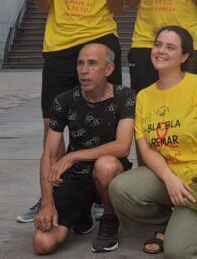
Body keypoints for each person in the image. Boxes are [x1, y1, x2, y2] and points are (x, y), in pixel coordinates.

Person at [20, 0, 129, 224]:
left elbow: (119, 7)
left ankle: (102, 192)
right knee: (51, 127)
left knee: (108, 122)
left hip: (99, 38)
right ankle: (47, 195)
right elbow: (42, 7)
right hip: (59, 46)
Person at [108, 26, 197, 259]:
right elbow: (145, 147)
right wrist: (169, 179)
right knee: (121, 189)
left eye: (170, 47)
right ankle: (174, 221)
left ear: (185, 56)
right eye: (158, 44)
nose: (161, 51)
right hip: (172, 174)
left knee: (179, 253)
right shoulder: (144, 96)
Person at [33, 43, 135, 255]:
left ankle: (109, 217)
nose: (83, 70)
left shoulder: (124, 97)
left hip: (111, 173)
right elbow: (49, 154)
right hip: (76, 176)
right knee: (43, 243)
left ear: (108, 69)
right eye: (80, 63)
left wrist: (72, 156)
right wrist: (47, 203)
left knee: (105, 165)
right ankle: (81, 217)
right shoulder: (64, 100)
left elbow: (123, 146)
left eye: (92, 64)